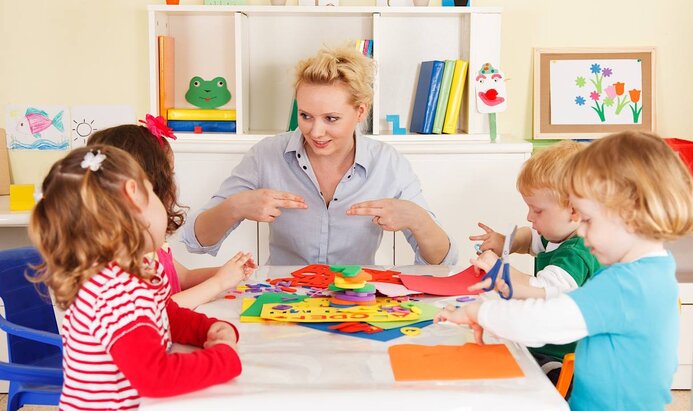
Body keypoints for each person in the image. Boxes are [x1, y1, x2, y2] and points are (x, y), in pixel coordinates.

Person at [435, 131, 693, 410]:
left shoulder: (626, 285)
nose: (582, 232)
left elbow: (543, 321)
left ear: (629, 216)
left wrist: (478, 312)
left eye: (587, 220)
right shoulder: (654, 270)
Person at [182, 46, 457, 266]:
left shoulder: (388, 163)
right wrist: (235, 207)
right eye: (305, 116)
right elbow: (196, 240)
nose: (315, 132)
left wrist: (417, 219)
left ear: (360, 111)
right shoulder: (266, 155)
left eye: (331, 118)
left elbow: (444, 260)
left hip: (356, 301)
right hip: (283, 298)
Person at [28, 146, 244, 410]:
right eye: (151, 191)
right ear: (134, 195)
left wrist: (207, 329)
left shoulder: (129, 273)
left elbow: (164, 314)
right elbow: (156, 378)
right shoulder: (116, 290)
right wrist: (224, 358)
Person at [468, 141, 602, 389]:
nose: (529, 216)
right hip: (543, 341)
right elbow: (529, 239)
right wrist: (504, 241)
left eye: (537, 211)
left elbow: (541, 289)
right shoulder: (559, 235)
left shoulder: (577, 253)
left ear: (574, 211)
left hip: (564, 357)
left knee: (519, 378)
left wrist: (499, 270)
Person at [88, 120, 256, 309]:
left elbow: (184, 278)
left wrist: (228, 273)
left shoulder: (152, 245)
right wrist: (219, 283)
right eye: (170, 174)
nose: (173, 184)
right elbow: (159, 309)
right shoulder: (119, 258)